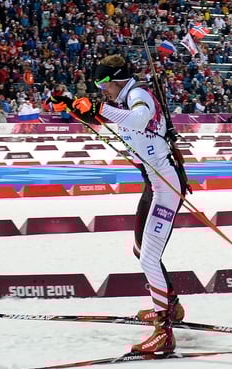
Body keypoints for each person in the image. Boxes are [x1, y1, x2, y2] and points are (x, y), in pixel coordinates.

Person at [52, 54, 187, 354]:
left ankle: (163, 332)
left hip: (165, 185)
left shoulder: (138, 95)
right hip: (152, 183)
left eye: (103, 84)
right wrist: (73, 106)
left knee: (148, 257)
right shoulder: (122, 101)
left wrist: (98, 108)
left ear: (118, 79)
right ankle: (171, 305)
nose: (102, 90)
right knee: (141, 249)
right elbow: (103, 118)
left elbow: (137, 119)